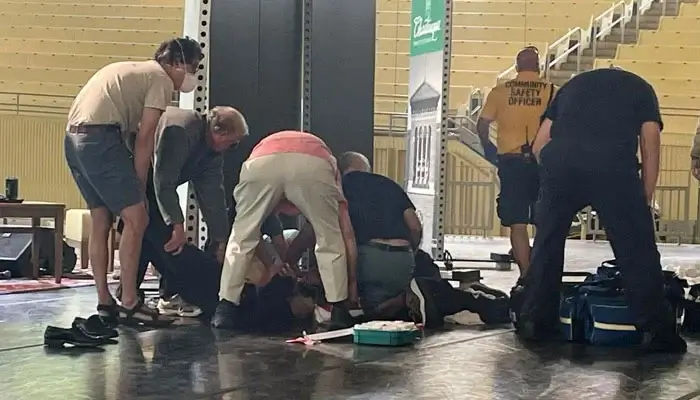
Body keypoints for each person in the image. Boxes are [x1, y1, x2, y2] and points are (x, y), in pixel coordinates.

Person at [518, 66, 686, 353]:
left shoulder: (571, 86)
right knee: (636, 249)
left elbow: (538, 145)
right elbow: (650, 141)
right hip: (613, 166)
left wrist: (554, 170)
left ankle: (535, 322)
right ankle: (656, 330)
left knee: (547, 244)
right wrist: (644, 197)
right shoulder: (641, 88)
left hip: (562, 164)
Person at [64, 37, 202, 326]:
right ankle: (130, 302)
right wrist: (139, 188)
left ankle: (105, 301)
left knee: (101, 219)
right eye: (192, 68)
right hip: (101, 139)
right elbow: (145, 137)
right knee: (137, 219)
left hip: (74, 140)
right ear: (176, 63)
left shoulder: (133, 70)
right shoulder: (160, 79)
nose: (192, 76)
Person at [336, 152, 511, 327]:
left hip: (369, 259)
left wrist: (350, 284)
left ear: (341, 170)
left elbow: (344, 238)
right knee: (388, 303)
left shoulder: (340, 188)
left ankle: (388, 305)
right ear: (367, 169)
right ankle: (405, 299)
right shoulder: (388, 184)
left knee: (369, 312)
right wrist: (411, 252)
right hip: (403, 258)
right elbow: (415, 226)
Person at [211, 130, 358, 331]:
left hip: (261, 162)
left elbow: (261, 239)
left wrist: (279, 264)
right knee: (329, 238)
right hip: (313, 164)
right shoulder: (332, 170)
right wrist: (351, 286)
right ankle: (338, 310)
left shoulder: (265, 150)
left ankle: (225, 308)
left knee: (242, 236)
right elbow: (346, 234)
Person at [116, 106, 249, 318]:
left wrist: (220, 239)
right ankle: (133, 296)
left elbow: (213, 196)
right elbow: (163, 181)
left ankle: (144, 294)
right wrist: (176, 224)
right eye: (233, 143)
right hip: (136, 172)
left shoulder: (212, 152)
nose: (233, 148)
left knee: (154, 239)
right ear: (218, 132)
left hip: (153, 180)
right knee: (161, 237)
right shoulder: (181, 129)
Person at [477, 46, 556, 280]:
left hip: (511, 164)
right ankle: (541, 274)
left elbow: (482, 124)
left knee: (517, 223)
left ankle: (525, 275)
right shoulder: (553, 91)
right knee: (544, 221)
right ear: (538, 66)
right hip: (543, 163)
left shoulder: (501, 91)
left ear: (517, 66)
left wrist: (488, 147)